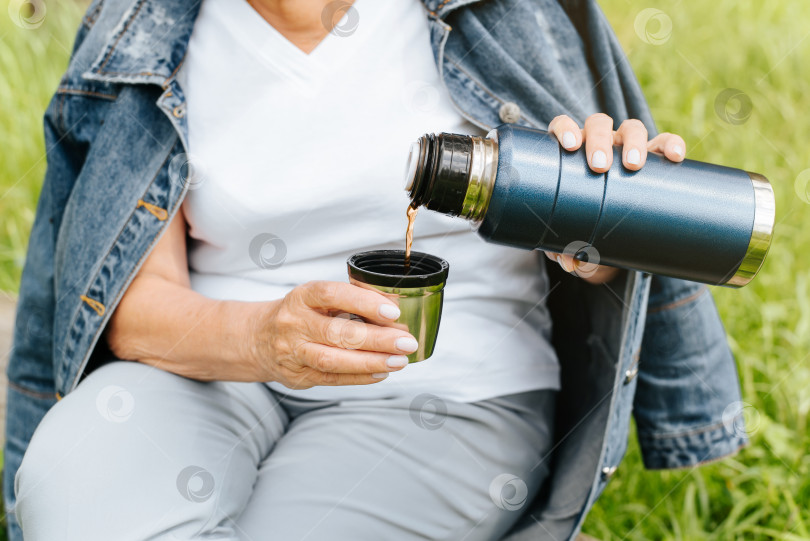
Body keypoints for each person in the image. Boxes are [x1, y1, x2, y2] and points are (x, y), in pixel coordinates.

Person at [4, 0, 748, 540]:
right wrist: (265, 339)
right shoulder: (142, 31)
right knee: (79, 498)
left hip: (445, 390)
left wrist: (602, 206)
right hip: (210, 364)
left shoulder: (502, 15)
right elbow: (133, 305)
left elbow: (596, 270)